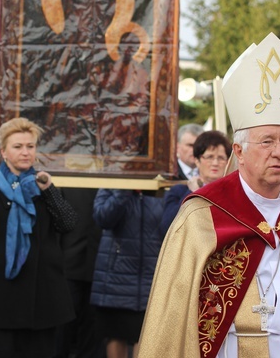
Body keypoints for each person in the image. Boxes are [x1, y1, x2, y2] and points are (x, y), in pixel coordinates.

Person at [137, 32, 280, 358]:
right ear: (239, 150)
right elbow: (173, 311)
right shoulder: (205, 214)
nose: (279, 152)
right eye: (267, 142)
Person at [0, 117, 78, 358]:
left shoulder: (43, 185)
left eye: (30, 146)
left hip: (41, 296)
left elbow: (68, 223)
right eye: (18, 147)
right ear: (4, 152)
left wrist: (49, 190)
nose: (25, 152)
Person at [90, 189, 164, 358]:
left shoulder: (160, 186)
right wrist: (123, 191)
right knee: (116, 335)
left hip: (150, 276)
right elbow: (102, 218)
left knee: (146, 338)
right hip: (116, 278)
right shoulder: (113, 185)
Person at [54, 188, 106, 358]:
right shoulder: (69, 180)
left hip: (100, 264)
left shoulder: (111, 179)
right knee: (62, 326)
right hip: (68, 264)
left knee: (93, 327)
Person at [161, 130, 232, 233]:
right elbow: (167, 227)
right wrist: (193, 194)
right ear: (197, 161)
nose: (215, 163)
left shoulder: (233, 193)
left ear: (227, 162)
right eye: (209, 157)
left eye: (221, 158)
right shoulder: (179, 192)